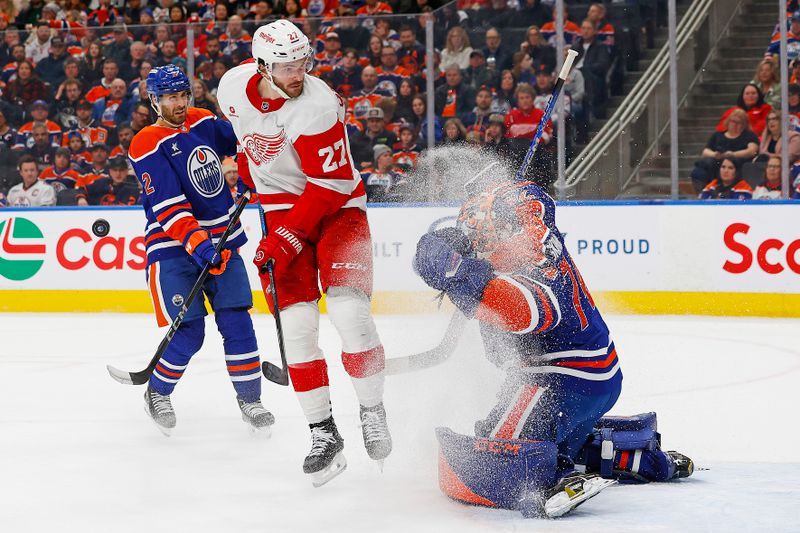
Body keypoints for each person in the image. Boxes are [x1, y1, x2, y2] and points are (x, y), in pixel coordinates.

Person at [413, 177, 693, 518]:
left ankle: (555, 479)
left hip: (559, 385)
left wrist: (451, 269)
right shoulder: (540, 235)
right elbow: (536, 197)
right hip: (599, 380)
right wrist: (500, 195)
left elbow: (514, 309)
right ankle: (636, 458)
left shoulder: (523, 271)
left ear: (490, 234)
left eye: (472, 238)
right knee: (549, 435)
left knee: (494, 449)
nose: (471, 245)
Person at [217, 20, 392, 486]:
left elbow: (330, 184)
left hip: (337, 208)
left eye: (302, 63)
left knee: (349, 312)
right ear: (261, 66)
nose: (298, 73)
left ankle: (372, 409)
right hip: (281, 208)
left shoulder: (317, 105)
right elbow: (246, 131)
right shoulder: (232, 87)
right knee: (296, 329)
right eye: (286, 66)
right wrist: (254, 171)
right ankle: (323, 433)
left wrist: (286, 235)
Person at [127, 64, 274, 436]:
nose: (178, 103)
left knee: (237, 322)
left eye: (182, 95)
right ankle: (157, 392)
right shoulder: (147, 142)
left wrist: (249, 169)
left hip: (223, 241)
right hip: (173, 250)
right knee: (190, 332)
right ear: (154, 100)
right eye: (170, 97)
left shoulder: (204, 120)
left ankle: (251, 400)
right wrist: (199, 244)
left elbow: (244, 141)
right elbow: (169, 208)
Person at [690, 109, 759, 193]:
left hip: (738, 164)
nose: (735, 124)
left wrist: (733, 154)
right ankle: (706, 190)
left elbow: (752, 151)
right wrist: (714, 154)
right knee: (703, 165)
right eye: (733, 121)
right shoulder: (718, 135)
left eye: (739, 122)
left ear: (744, 124)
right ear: (728, 121)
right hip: (716, 163)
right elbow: (705, 151)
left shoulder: (749, 136)